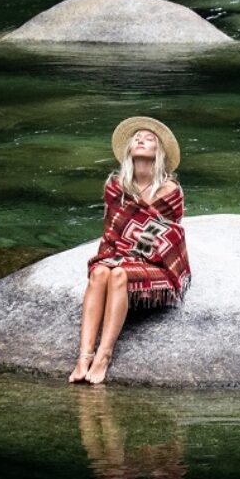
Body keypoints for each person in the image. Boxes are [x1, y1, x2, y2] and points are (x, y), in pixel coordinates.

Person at [69, 115, 190, 385]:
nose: (140, 139)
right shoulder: (116, 187)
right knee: (100, 272)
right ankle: (83, 357)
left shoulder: (171, 191)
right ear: (129, 150)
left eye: (149, 139)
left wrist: (134, 250)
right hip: (119, 253)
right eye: (137, 137)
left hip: (155, 263)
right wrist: (121, 253)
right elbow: (112, 233)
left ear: (159, 152)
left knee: (119, 275)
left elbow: (171, 236)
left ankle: (104, 355)